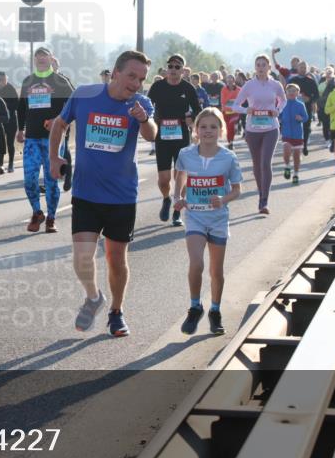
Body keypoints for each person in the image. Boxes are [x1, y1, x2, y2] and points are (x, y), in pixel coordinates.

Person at [49, 50, 157, 337]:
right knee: (82, 258)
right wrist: (54, 157)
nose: (136, 83)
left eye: (141, 79)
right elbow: (60, 123)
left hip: (122, 196)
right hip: (86, 192)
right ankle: (94, 297)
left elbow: (152, 135)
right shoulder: (85, 95)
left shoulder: (141, 103)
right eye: (131, 76)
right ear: (116, 72)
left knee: (116, 260)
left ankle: (116, 312)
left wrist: (143, 119)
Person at [175, 108, 243, 336]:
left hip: (217, 220)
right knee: (196, 263)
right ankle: (195, 307)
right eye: (203, 126)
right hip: (195, 217)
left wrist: (223, 199)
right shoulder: (186, 154)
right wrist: (178, 197)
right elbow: (180, 175)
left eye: (213, 127)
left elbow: (237, 189)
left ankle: (215, 311)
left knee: (216, 271)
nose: (208, 131)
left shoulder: (228, 157)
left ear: (221, 130)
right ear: (196, 130)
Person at [17, 47, 75, 233]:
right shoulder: (28, 81)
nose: (41, 59)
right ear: (34, 60)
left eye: (44, 56)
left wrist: (58, 120)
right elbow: (21, 108)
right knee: (29, 180)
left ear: (51, 59)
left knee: (51, 181)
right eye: (38, 56)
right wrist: (20, 129)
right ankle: (37, 212)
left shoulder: (60, 81)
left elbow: (74, 104)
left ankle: (51, 218)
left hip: (53, 140)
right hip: (32, 139)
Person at [147, 54, 201, 226]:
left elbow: (198, 110)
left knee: (180, 176)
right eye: (170, 66)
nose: (173, 70)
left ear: (183, 71)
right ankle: (166, 198)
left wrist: (191, 118)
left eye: (177, 67)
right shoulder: (157, 86)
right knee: (164, 179)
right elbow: (147, 106)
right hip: (162, 136)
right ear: (167, 68)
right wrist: (150, 119)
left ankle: (177, 211)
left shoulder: (188, 88)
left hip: (181, 136)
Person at [233, 54, 286, 215]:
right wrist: (246, 110)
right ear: (255, 67)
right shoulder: (249, 85)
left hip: (271, 128)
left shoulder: (275, 84)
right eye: (258, 65)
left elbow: (283, 100)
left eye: (264, 65)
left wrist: (278, 110)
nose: (261, 68)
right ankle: (260, 193)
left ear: (269, 67)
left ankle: (264, 200)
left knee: (265, 163)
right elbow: (235, 105)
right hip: (253, 129)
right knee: (257, 164)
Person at [287, 60, 320, 156]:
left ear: (307, 69)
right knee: (294, 127)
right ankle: (294, 145)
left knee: (306, 127)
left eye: (305, 68)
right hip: (293, 108)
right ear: (297, 68)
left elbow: (317, 95)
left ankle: (304, 145)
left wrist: (310, 99)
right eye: (301, 67)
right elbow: (286, 93)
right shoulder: (293, 80)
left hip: (306, 108)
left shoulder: (311, 81)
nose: (303, 69)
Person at [279, 83, 309, 185]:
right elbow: (278, 115)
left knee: (296, 156)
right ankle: (287, 166)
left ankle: (296, 174)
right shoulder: (283, 104)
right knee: (286, 151)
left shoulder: (300, 105)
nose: (291, 93)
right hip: (286, 133)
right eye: (289, 91)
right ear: (286, 93)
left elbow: (306, 117)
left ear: (297, 93)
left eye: (294, 91)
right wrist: (279, 119)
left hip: (297, 134)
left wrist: (301, 118)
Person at [0, 71, 19, 172]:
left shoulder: (11, 88)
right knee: (0, 143)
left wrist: (5, 107)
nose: (3, 81)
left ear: (6, 78)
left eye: (4, 79)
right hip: (1, 121)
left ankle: (11, 164)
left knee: (10, 143)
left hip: (11, 121)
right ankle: (0, 164)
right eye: (1, 80)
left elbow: (16, 104)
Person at [220, 74, 241, 148]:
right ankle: (230, 142)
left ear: (234, 80)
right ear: (226, 81)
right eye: (228, 79)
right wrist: (232, 100)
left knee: (231, 126)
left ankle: (231, 141)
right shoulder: (224, 89)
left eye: (231, 79)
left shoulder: (239, 89)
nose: (229, 81)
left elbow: (242, 99)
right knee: (229, 128)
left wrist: (236, 102)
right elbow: (223, 101)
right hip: (226, 112)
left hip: (235, 112)